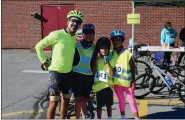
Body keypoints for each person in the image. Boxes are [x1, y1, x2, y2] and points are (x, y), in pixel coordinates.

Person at [35, 10, 84, 119]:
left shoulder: (75, 38)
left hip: (68, 73)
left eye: (78, 22)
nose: (75, 24)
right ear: (67, 21)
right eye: (73, 21)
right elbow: (39, 46)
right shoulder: (56, 34)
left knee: (66, 101)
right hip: (56, 73)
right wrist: (43, 60)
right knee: (53, 103)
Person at [110, 30, 139, 119]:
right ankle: (123, 116)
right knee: (121, 100)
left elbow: (133, 67)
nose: (116, 42)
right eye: (114, 40)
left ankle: (136, 117)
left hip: (128, 82)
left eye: (118, 39)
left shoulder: (127, 53)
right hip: (117, 83)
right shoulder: (111, 53)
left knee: (132, 100)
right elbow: (111, 68)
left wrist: (133, 81)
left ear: (122, 41)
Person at [72, 24, 97, 119]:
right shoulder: (76, 45)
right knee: (78, 100)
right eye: (86, 33)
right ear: (83, 34)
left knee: (85, 100)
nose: (89, 35)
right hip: (77, 76)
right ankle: (77, 118)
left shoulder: (95, 48)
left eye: (91, 33)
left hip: (89, 77)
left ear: (94, 34)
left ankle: (84, 117)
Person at [93, 37, 118, 119]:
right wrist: (96, 59)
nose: (103, 50)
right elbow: (93, 70)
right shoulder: (96, 58)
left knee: (108, 105)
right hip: (99, 87)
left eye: (105, 48)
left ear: (108, 48)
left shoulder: (111, 58)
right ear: (99, 49)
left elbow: (112, 73)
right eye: (101, 48)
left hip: (109, 86)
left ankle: (109, 118)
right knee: (99, 106)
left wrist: (106, 62)